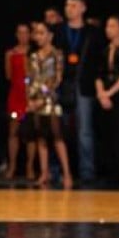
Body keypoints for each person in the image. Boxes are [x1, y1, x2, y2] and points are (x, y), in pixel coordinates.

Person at [53, 0, 102, 184]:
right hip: (61, 85)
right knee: (58, 129)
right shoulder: (58, 30)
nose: (69, 9)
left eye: (73, 5)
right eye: (67, 5)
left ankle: (87, 173)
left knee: (85, 131)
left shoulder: (92, 31)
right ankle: (57, 171)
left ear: (83, 8)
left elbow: (97, 61)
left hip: (84, 85)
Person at [27, 20, 73, 189]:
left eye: (41, 33)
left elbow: (57, 79)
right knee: (41, 138)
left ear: (50, 35)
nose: (38, 36)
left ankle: (67, 173)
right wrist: (30, 99)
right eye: (36, 33)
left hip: (51, 101)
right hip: (36, 101)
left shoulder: (57, 54)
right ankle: (44, 172)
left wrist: (44, 98)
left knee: (58, 138)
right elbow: (30, 78)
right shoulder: (33, 55)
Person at [95, 15, 119, 187]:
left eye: (112, 26)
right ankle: (109, 174)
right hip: (105, 94)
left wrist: (109, 93)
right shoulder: (105, 50)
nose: (108, 29)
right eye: (107, 26)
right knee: (107, 135)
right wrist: (101, 93)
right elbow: (98, 74)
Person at [3, 22, 34, 180]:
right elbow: (8, 75)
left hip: (29, 97)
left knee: (30, 134)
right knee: (13, 132)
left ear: (30, 35)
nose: (23, 36)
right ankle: (12, 166)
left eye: (26, 32)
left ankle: (29, 167)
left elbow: (33, 75)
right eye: (20, 32)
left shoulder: (34, 53)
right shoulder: (10, 53)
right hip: (15, 95)